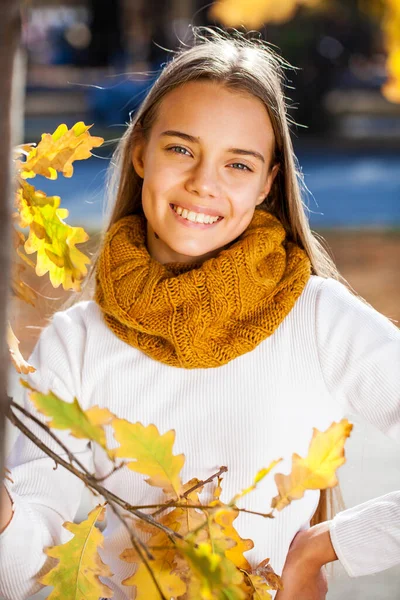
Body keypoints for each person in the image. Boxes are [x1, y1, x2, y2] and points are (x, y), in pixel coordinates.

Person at [1, 27, 399, 600]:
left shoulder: (318, 318)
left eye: (238, 165)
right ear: (140, 151)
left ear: (268, 184)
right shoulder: (76, 341)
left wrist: (330, 545)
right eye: (181, 148)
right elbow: (27, 575)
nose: (202, 183)